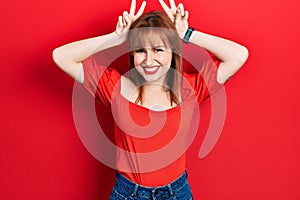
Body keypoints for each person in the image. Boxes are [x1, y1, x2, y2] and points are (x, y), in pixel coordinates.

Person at [52, 0, 248, 199]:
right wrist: (116, 38)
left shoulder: (189, 90)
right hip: (128, 194)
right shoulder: (115, 87)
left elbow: (238, 55)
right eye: (140, 50)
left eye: (158, 50)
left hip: (176, 194)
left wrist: (185, 33)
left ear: (173, 52)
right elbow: (61, 56)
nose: (148, 60)